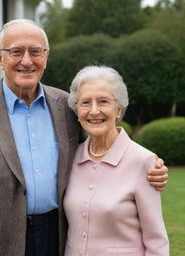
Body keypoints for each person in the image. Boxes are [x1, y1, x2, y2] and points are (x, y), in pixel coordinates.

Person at [0, 19, 168, 256]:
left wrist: (148, 167)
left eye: (35, 52)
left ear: (46, 57)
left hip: (56, 236)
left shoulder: (66, 107)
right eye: (16, 51)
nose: (27, 61)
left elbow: (101, 140)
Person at [64, 65, 169, 256]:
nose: (94, 111)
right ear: (77, 110)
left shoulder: (143, 161)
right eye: (86, 102)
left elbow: (156, 241)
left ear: (118, 109)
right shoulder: (70, 158)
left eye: (103, 101)